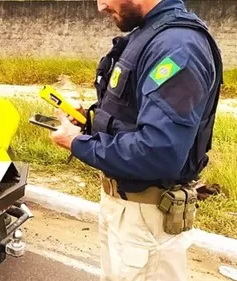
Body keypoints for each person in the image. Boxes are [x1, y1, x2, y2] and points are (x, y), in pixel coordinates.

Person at [49, 0, 223, 280]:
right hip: (127, 211)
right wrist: (88, 124)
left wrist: (77, 143)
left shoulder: (178, 47)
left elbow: (159, 153)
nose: (100, 6)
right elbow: (132, 119)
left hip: (147, 218)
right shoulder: (150, 34)